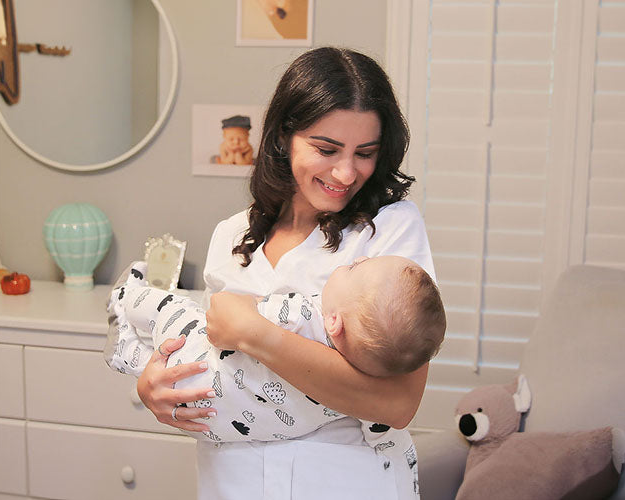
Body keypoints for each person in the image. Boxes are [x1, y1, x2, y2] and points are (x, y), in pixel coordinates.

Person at [132, 46, 437, 500]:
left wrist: (258, 335)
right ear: (284, 137)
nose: (346, 171)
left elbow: (397, 403)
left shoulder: (388, 232)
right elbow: (213, 369)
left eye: (365, 153)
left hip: (348, 484)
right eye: (326, 148)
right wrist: (155, 386)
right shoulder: (232, 235)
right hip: (232, 483)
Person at [105, 255, 445, 444]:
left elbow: (227, 315)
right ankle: (130, 352)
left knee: (171, 307)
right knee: (168, 361)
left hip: (199, 370)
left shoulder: (301, 315)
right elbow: (381, 427)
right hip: (218, 424)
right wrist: (147, 388)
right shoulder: (356, 397)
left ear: (334, 323)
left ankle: (124, 298)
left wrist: (249, 324)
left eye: (355, 267)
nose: (356, 259)